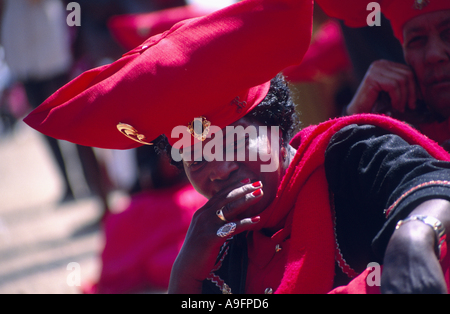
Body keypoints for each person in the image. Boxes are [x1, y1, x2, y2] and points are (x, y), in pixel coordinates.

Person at [23, 0, 450, 294]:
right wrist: (186, 274)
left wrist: (415, 236)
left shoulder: (347, 152)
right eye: (194, 156)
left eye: (231, 140)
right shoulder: (224, 241)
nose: (218, 169)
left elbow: (433, 185)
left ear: (277, 127)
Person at [317, 0, 450, 151]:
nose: (434, 54)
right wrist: (355, 114)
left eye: (448, 34)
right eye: (417, 40)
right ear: (405, 55)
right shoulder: (396, 136)